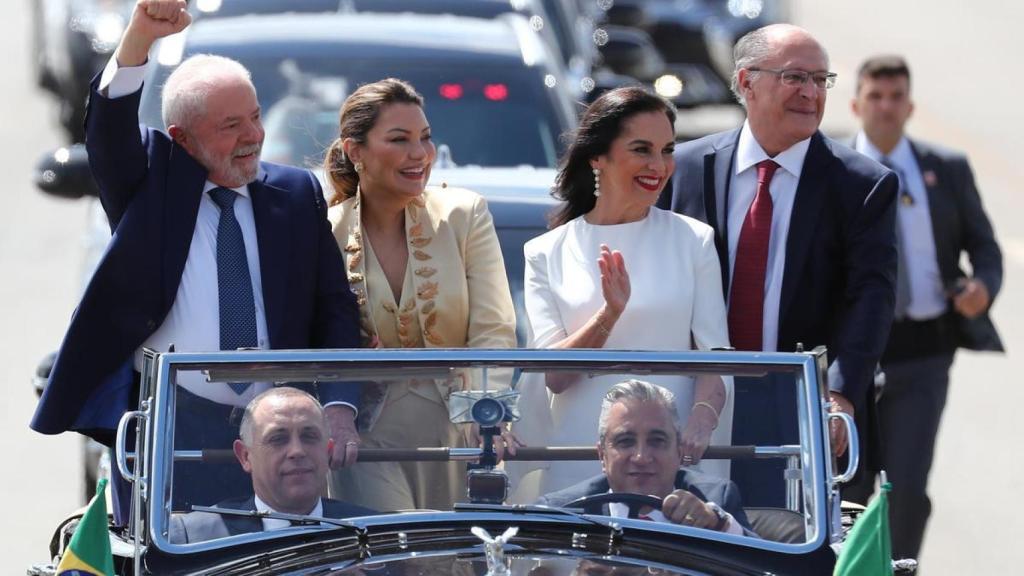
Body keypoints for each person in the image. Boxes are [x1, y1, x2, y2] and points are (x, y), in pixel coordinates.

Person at [30, 0, 362, 514]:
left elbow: (334, 306)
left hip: (279, 428)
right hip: (174, 422)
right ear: (182, 140)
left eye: (255, 117)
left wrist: (340, 404)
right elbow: (110, 125)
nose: (253, 136)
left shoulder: (295, 193)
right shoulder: (150, 184)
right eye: (231, 126)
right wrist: (140, 35)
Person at [658, 24, 899, 506]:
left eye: (820, 80)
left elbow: (872, 297)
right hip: (694, 408)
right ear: (747, 82)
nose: (811, 93)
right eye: (795, 78)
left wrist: (840, 393)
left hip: (801, 412)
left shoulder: (861, 185)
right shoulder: (685, 167)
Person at [520, 86, 731, 497]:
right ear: (597, 156)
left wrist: (702, 422)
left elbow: (715, 359)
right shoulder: (546, 252)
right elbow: (554, 375)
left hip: (671, 455)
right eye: (641, 149)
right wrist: (608, 316)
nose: (659, 165)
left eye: (667, 150)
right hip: (581, 456)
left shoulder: (694, 240)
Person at [323, 78, 517, 511]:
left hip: (461, 434)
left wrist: (488, 412)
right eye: (400, 139)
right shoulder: (324, 230)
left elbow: (494, 328)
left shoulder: (465, 215)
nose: (420, 154)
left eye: (425, 138)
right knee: (401, 557)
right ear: (355, 151)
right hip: (367, 442)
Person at [846, 55, 1003, 560]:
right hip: (850, 362)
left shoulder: (946, 170)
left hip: (924, 354)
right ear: (856, 104)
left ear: (911, 106)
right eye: (876, 96)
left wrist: (982, 286)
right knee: (848, 490)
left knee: (907, 491)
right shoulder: (832, 170)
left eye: (896, 97)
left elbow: (985, 246)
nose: (886, 107)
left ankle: (899, 570)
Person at [537, 380, 754, 537]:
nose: (641, 457)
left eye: (657, 441)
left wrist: (718, 525)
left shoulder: (715, 499)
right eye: (625, 441)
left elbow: (766, 566)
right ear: (602, 455)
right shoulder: (561, 512)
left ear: (679, 452)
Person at [169, 388, 375, 543]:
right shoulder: (193, 537)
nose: (297, 451)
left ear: (328, 450)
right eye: (278, 439)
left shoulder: (377, 532)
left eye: (309, 436)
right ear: (245, 456)